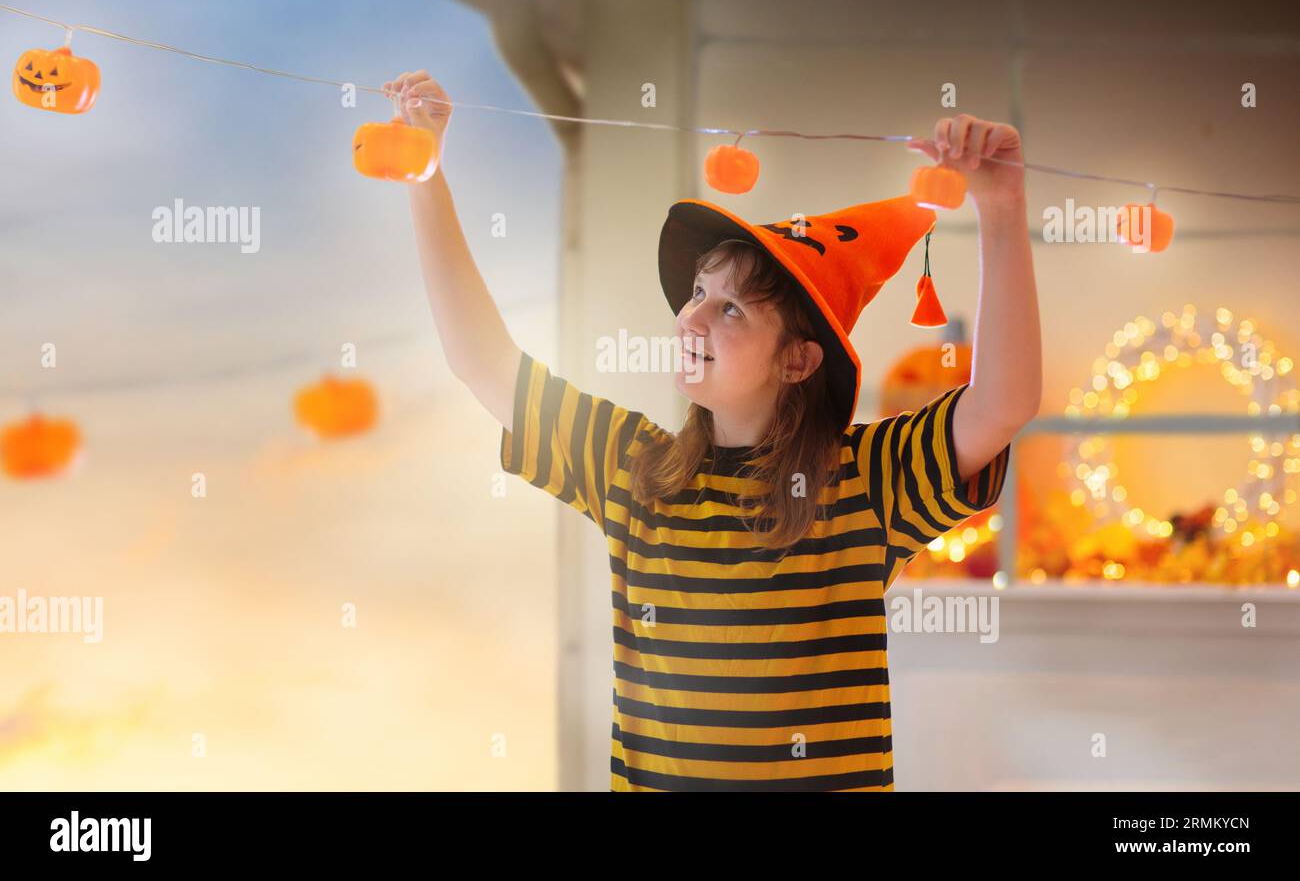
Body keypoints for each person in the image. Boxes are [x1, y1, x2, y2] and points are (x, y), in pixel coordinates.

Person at [386, 69, 1043, 791]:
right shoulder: (632, 466)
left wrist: (1001, 207)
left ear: (797, 359)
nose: (691, 317)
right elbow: (481, 360)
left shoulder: (866, 480)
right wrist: (425, 172)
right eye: (699, 292)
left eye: (731, 309)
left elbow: (1003, 402)